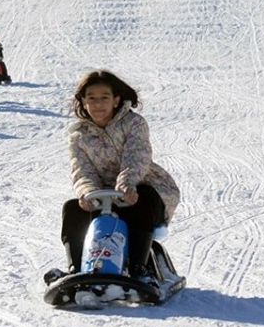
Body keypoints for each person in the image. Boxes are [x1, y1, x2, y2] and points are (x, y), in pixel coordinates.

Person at [59, 70, 180, 283]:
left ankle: (138, 268)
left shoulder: (133, 123)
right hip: (103, 196)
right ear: (84, 102)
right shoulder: (78, 135)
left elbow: (137, 157)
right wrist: (87, 193)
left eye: (104, 98)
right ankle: (76, 268)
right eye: (92, 99)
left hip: (142, 190)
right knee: (72, 208)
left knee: (142, 197)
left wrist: (127, 185)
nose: (98, 104)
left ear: (116, 100)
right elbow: (82, 170)